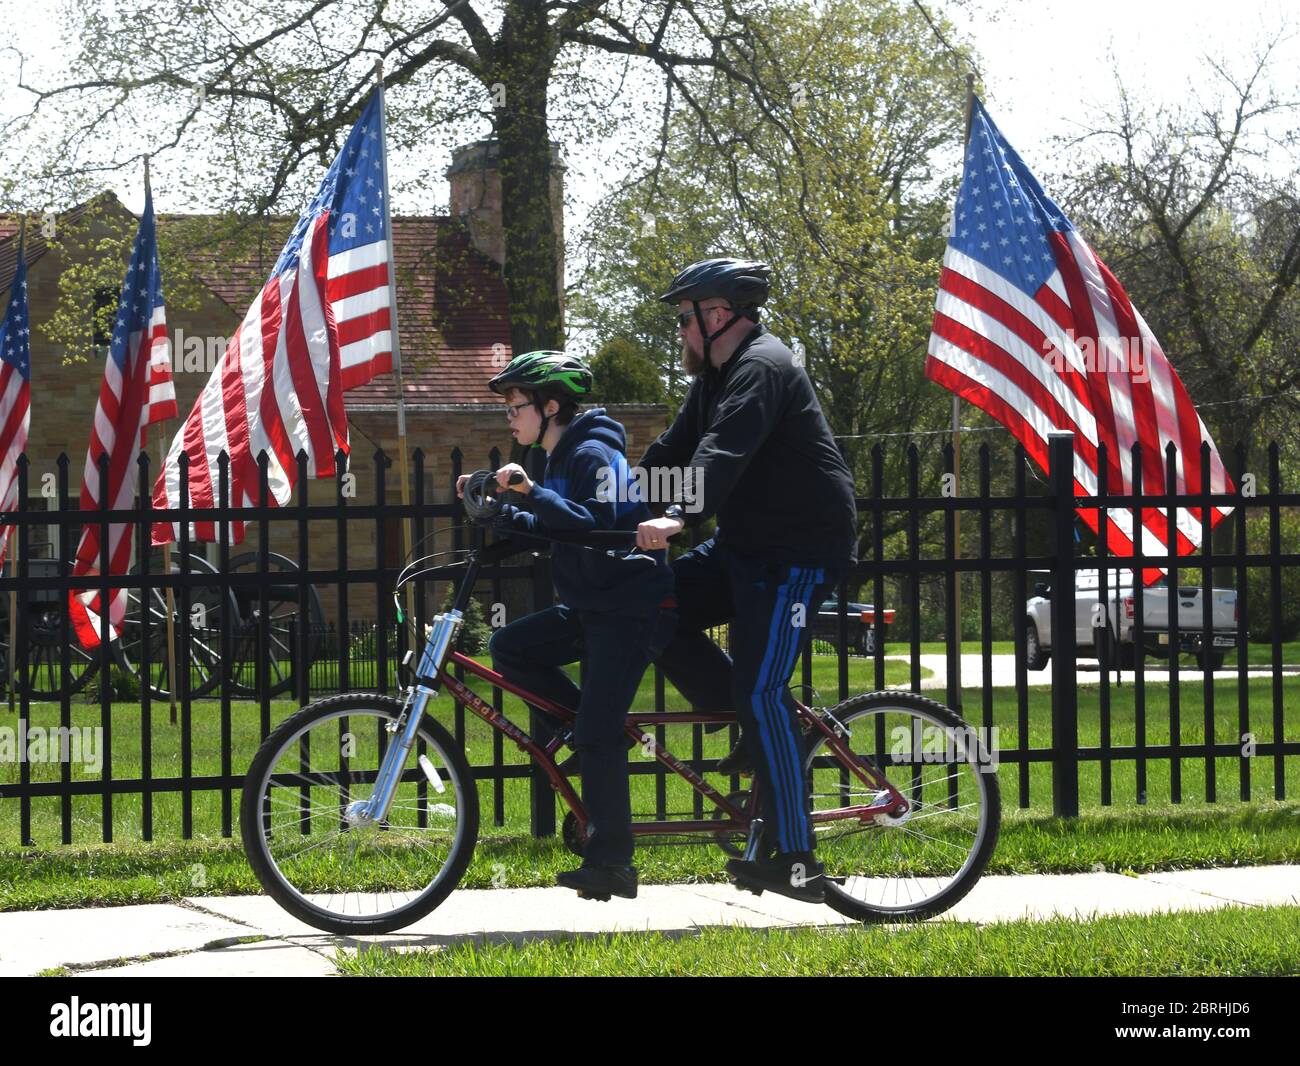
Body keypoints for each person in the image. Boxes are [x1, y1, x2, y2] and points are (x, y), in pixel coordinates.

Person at [634, 258, 858, 902]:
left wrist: (677, 514)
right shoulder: (712, 378)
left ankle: (797, 861)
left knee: (763, 690)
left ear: (718, 315)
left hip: (799, 554)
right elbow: (670, 454)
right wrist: (609, 500)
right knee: (656, 603)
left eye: (686, 318)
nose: (680, 331)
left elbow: (719, 456)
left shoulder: (763, 367)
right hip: (747, 549)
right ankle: (758, 727)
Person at [457, 350, 676, 901]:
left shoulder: (596, 451)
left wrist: (530, 491)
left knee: (602, 733)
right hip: (590, 607)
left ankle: (613, 864)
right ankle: (579, 728)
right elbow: (558, 526)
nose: (510, 418)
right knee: (511, 647)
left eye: (516, 406)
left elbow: (593, 523)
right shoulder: (559, 456)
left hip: (627, 610)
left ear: (550, 405)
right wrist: (499, 511)